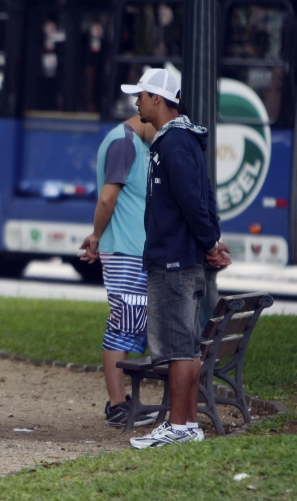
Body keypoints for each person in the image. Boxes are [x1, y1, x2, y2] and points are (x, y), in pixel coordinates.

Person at [119, 68, 231, 448]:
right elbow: (206, 196)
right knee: (183, 345)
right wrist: (209, 242)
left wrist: (209, 242)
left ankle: (181, 426)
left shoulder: (174, 143)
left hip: (172, 263)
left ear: (156, 99)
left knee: (178, 346)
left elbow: (191, 201)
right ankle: (183, 425)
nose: (136, 103)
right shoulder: (183, 140)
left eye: (141, 96)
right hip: (181, 259)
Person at [79, 114, 157, 429]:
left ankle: (124, 402)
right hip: (125, 249)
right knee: (122, 325)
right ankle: (116, 406)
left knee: (132, 324)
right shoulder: (124, 143)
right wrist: (96, 237)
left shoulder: (134, 142)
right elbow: (108, 198)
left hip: (132, 248)